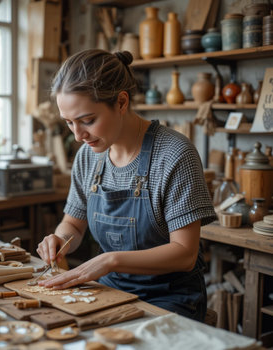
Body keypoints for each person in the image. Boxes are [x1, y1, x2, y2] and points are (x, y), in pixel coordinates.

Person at [36, 49, 217, 322]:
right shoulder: (88, 156)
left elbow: (184, 254)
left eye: (87, 121)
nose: (78, 136)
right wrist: (60, 240)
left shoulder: (174, 153)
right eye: (69, 123)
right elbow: (73, 225)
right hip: (109, 290)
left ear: (121, 102)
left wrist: (111, 260)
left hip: (170, 297)